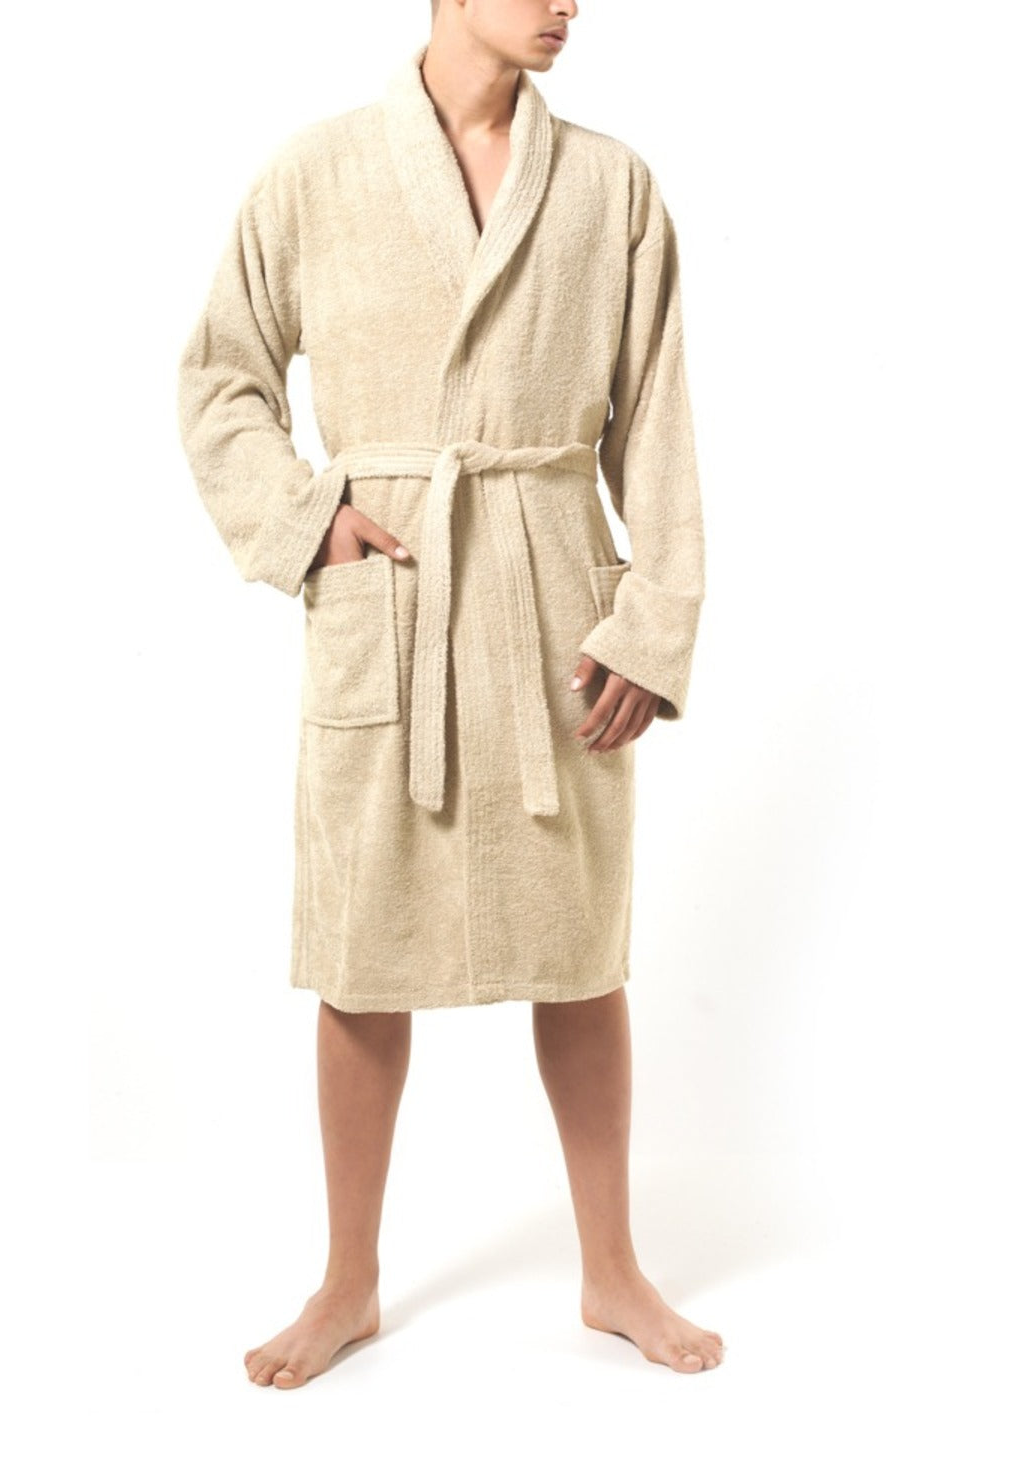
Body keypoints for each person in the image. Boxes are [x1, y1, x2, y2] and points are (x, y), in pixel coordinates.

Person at [176, 0, 723, 1386]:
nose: (566, 3)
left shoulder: (609, 187)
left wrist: (650, 625)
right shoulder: (316, 173)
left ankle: (611, 1271)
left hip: (553, 611)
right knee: (363, 958)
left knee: (578, 952)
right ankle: (348, 1279)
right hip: (395, 601)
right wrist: (308, 522)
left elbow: (657, 422)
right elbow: (221, 378)